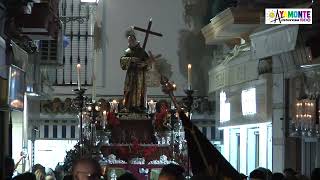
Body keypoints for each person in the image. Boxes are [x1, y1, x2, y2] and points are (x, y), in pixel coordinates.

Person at [120, 28, 150, 112]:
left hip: (140, 75)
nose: (130, 42)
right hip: (131, 74)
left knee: (139, 90)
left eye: (131, 40)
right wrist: (131, 59)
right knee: (129, 89)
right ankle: (128, 106)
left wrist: (144, 64)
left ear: (135, 40)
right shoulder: (127, 51)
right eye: (129, 41)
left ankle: (139, 106)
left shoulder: (142, 51)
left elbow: (149, 62)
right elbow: (122, 62)